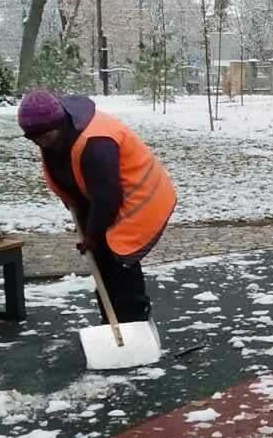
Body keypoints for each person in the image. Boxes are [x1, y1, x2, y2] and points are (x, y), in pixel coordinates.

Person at [17, 90, 176, 323]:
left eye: (45, 136)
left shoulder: (96, 145)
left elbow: (107, 198)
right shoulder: (59, 134)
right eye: (33, 138)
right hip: (104, 194)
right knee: (102, 259)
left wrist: (92, 235)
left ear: (60, 125)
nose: (40, 142)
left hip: (141, 196)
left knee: (118, 258)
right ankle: (112, 321)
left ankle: (132, 320)